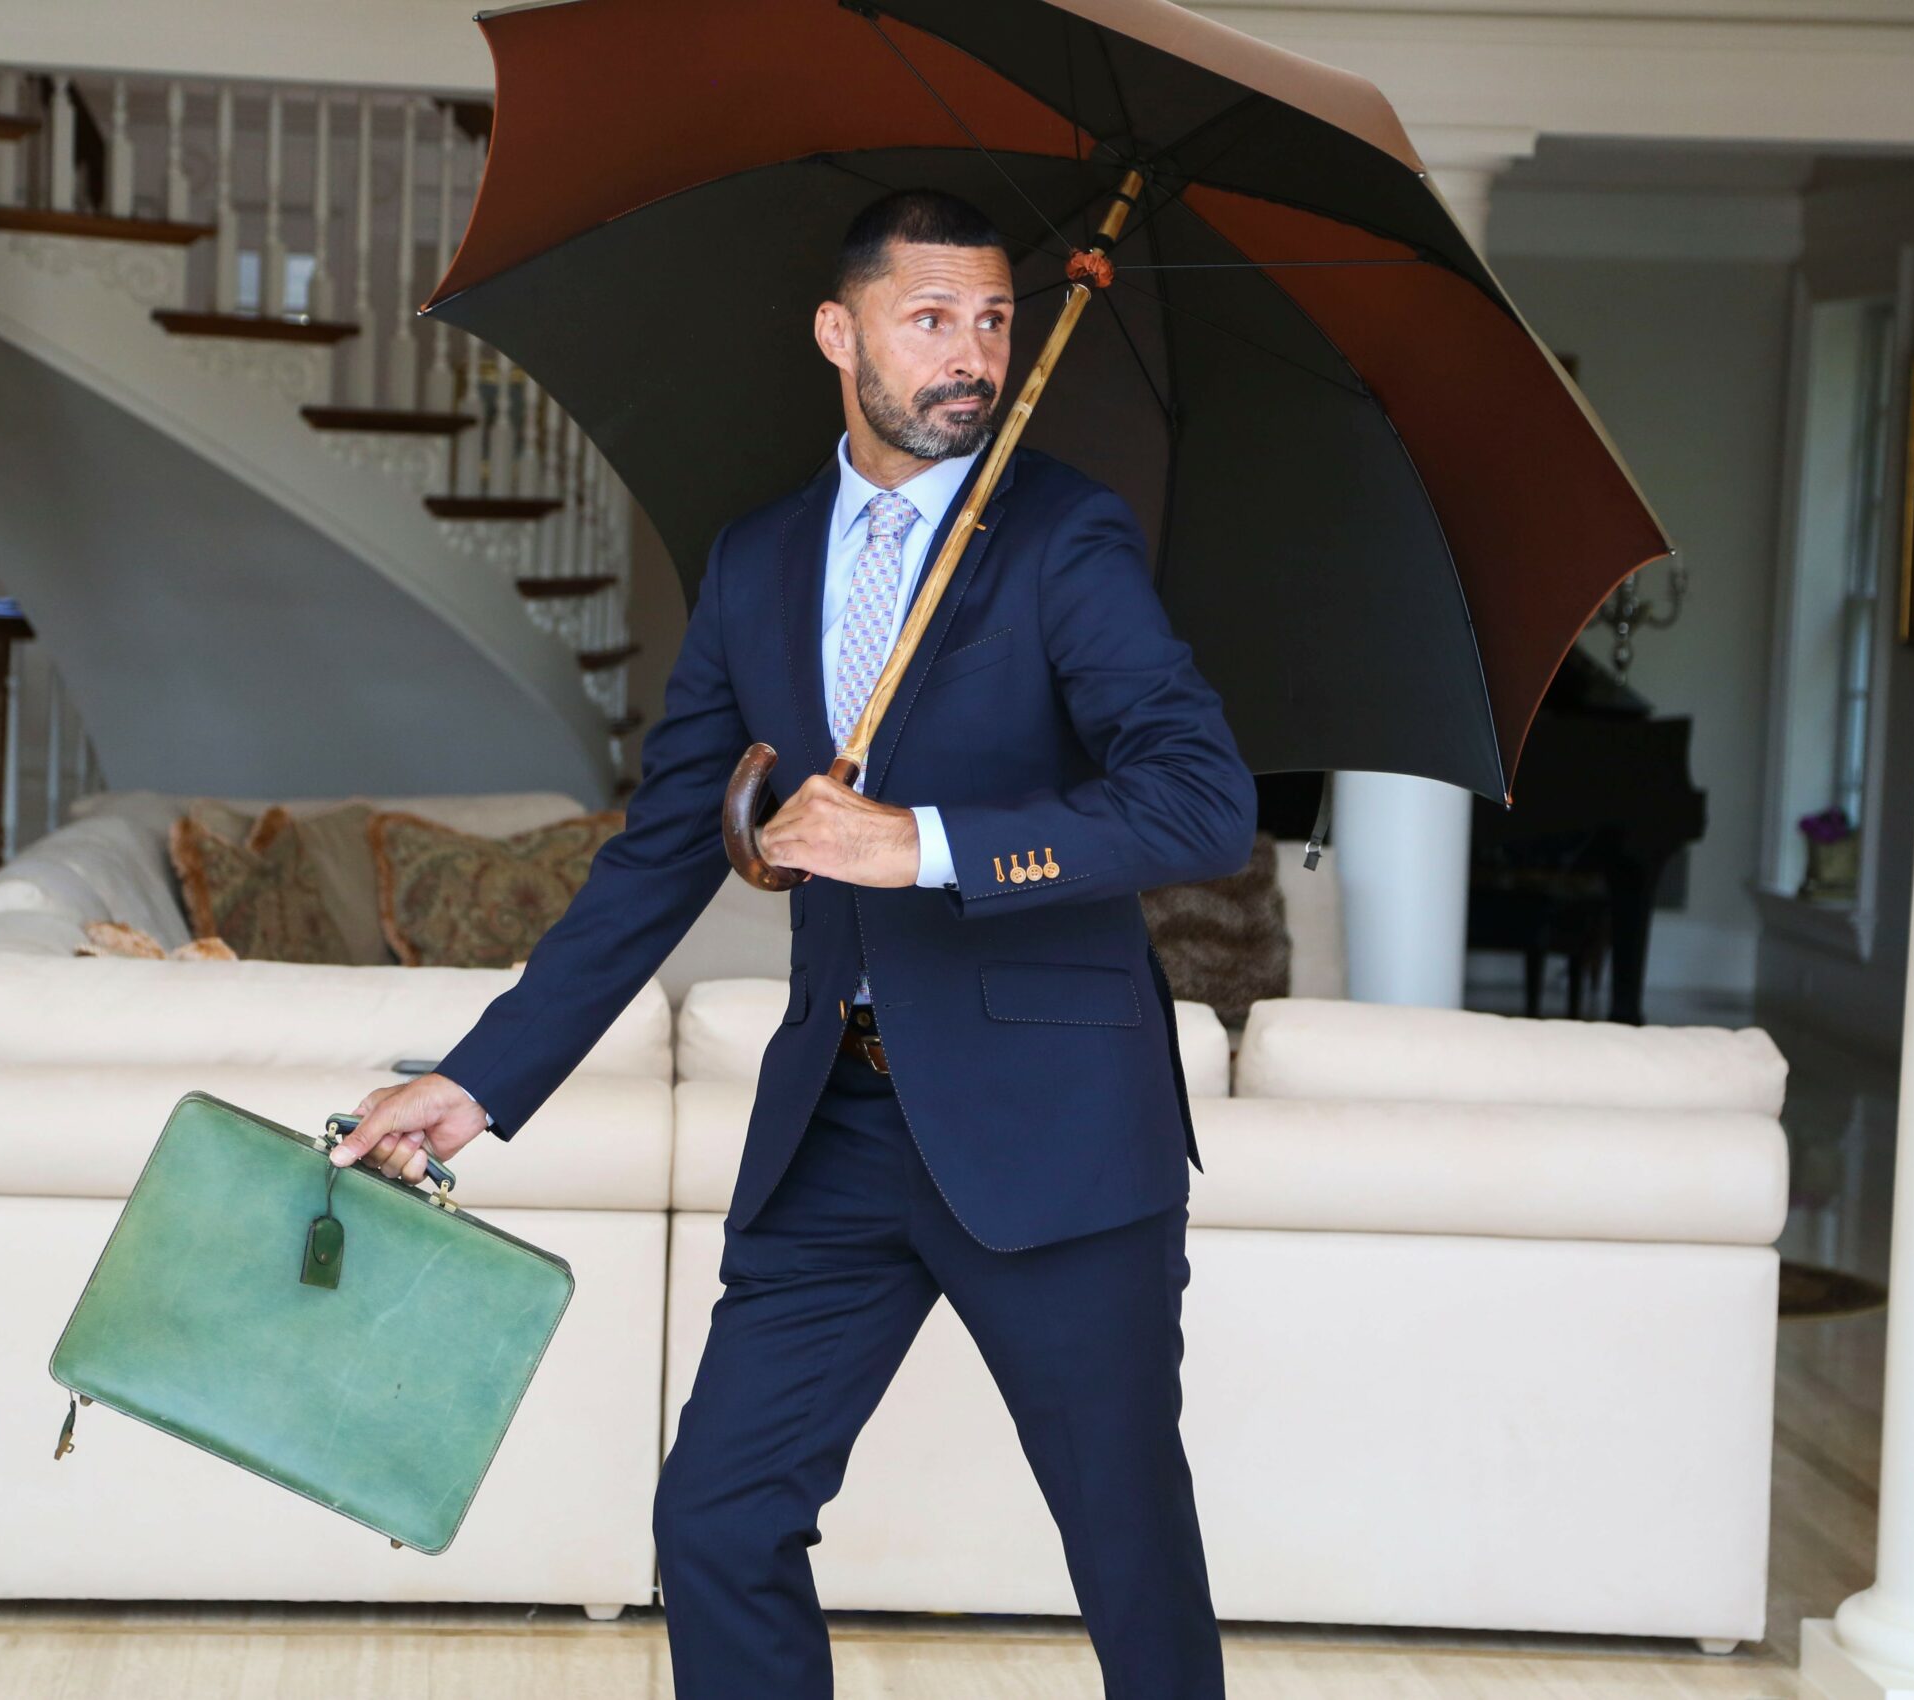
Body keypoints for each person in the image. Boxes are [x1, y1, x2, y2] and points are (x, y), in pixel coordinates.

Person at [336, 186, 1255, 1699]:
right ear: (839, 333)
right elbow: (656, 855)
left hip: (1054, 1126)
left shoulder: (1063, 535)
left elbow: (1202, 802)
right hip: (838, 1121)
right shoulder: (757, 561)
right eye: (929, 318)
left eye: (993, 320)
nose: (972, 354)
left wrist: (925, 844)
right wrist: (478, 1082)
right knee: (716, 1519)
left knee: (1125, 1545)